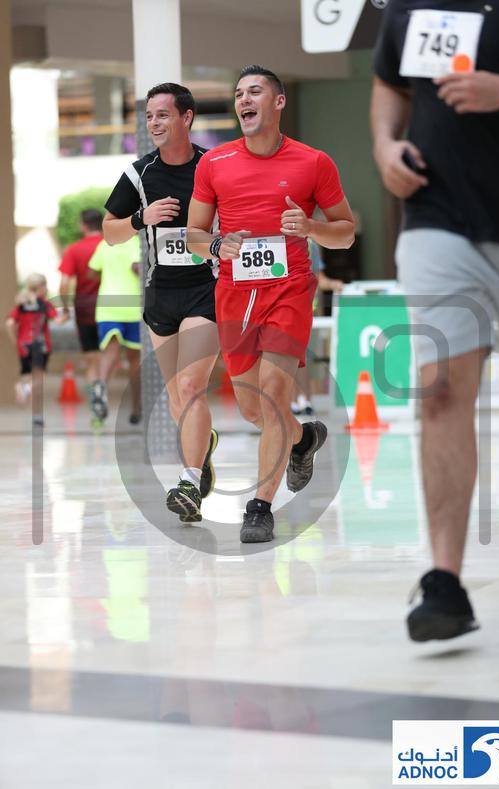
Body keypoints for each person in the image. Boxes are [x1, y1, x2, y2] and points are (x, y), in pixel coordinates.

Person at [371, 0, 499, 641]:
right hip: (436, 216)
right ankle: (444, 581)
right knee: (439, 393)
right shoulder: (409, 6)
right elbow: (390, 84)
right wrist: (384, 145)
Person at [188, 65, 355, 543]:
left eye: (255, 91)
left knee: (274, 394)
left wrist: (312, 228)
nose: (244, 99)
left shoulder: (313, 162)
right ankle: (303, 439)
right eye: (239, 93)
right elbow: (194, 236)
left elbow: (345, 232)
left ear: (278, 102)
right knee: (251, 409)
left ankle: (259, 507)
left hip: (290, 290)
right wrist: (216, 245)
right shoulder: (214, 163)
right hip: (235, 294)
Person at [103, 82, 219, 523]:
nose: (154, 123)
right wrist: (140, 218)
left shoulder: (214, 166)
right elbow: (109, 231)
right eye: (150, 116)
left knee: (191, 387)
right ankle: (203, 446)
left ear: (186, 117)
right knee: (176, 397)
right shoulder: (139, 174)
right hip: (160, 295)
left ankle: (189, 480)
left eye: (163, 115)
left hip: (206, 289)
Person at [87, 236, 142, 424]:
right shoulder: (138, 242)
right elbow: (137, 268)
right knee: (135, 359)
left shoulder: (106, 243)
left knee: (110, 352)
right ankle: (136, 409)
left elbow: (91, 272)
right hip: (133, 307)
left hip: (107, 306)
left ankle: (101, 385)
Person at [291, 239, 344, 417]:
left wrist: (334, 284)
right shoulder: (275, 241)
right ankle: (293, 401)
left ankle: (305, 400)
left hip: (306, 312)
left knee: (304, 359)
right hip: (284, 310)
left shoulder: (310, 245)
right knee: (287, 357)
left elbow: (319, 277)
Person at [6, 273, 65, 427]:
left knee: (28, 376)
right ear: (40, 287)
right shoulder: (44, 304)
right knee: (38, 381)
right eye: (45, 285)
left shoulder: (22, 304)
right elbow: (58, 321)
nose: (47, 289)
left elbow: (10, 323)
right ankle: (32, 405)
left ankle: (27, 396)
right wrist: (66, 315)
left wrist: (15, 341)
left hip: (23, 345)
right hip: (40, 345)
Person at [58, 209, 103, 391]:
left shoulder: (74, 249)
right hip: (109, 308)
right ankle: (103, 390)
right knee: (108, 355)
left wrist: (65, 309)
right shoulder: (110, 246)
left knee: (91, 357)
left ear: (83, 226)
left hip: (84, 308)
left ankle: (95, 396)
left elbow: (64, 284)